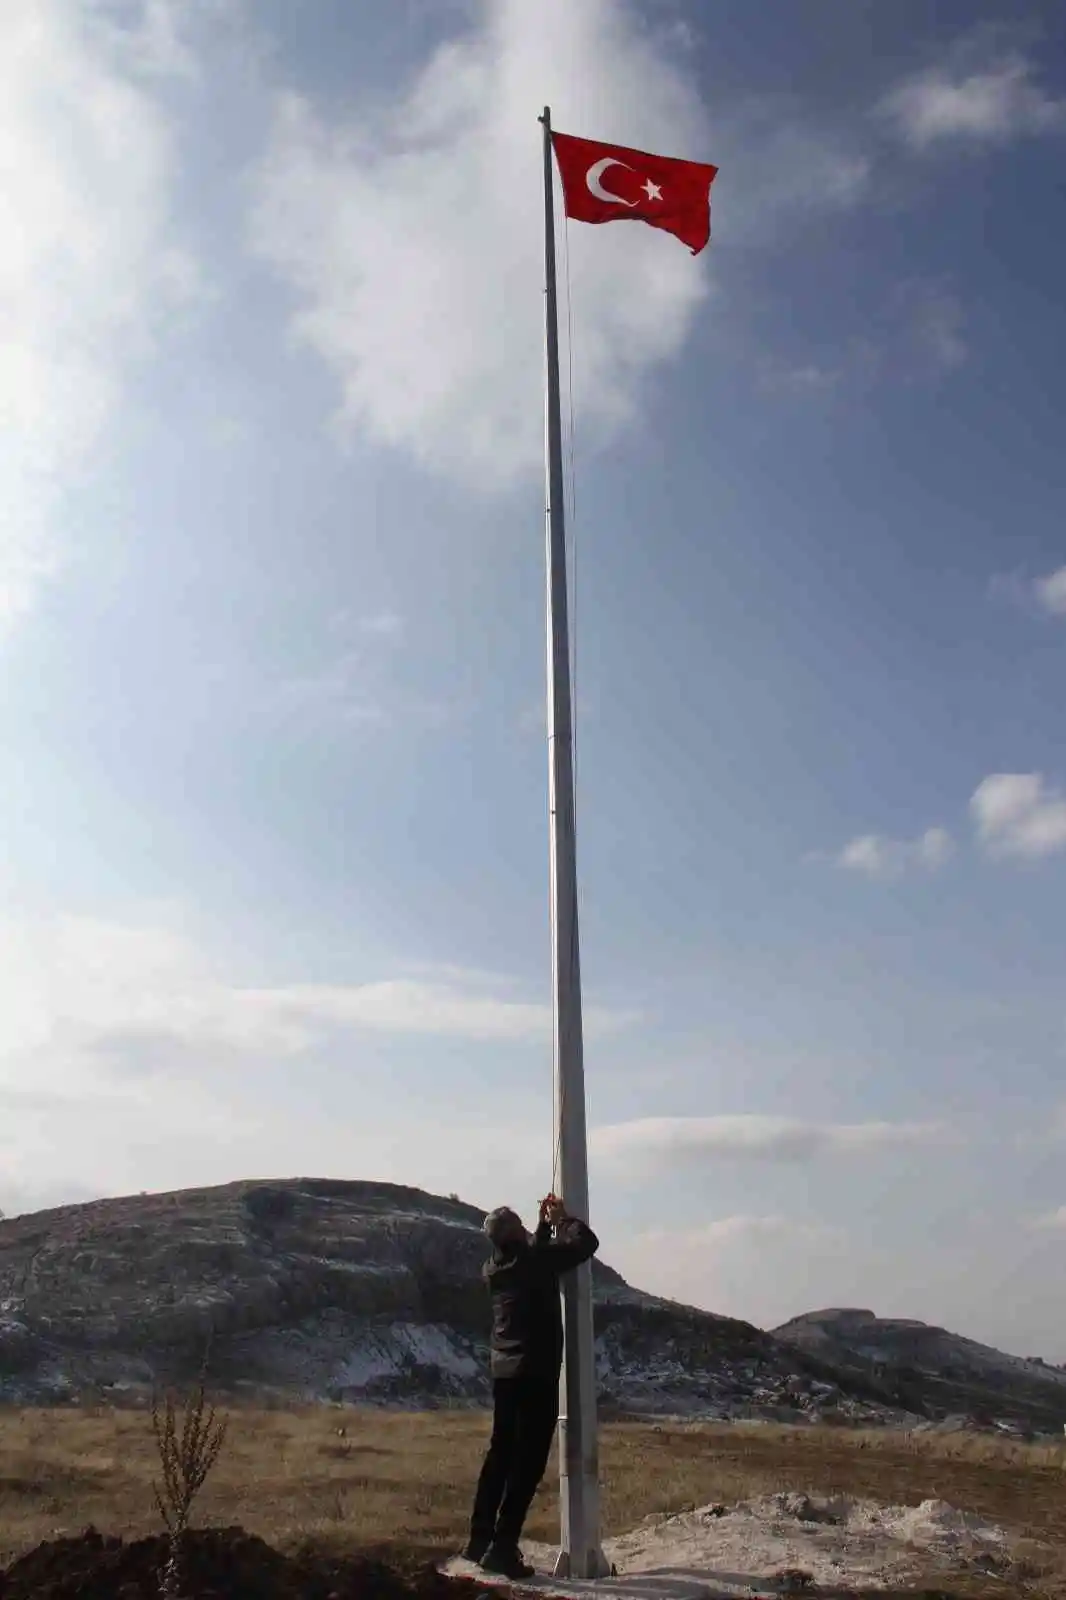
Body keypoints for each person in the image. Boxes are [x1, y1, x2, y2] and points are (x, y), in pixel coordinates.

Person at [464, 1192, 599, 1578]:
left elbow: (534, 1258)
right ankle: (503, 1548)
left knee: (500, 1456)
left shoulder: (493, 1267)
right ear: (516, 1234)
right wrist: (563, 1219)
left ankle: (478, 1541)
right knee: (527, 1463)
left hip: (503, 1372)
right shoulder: (533, 1261)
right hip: (534, 1372)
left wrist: (541, 1228)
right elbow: (585, 1244)